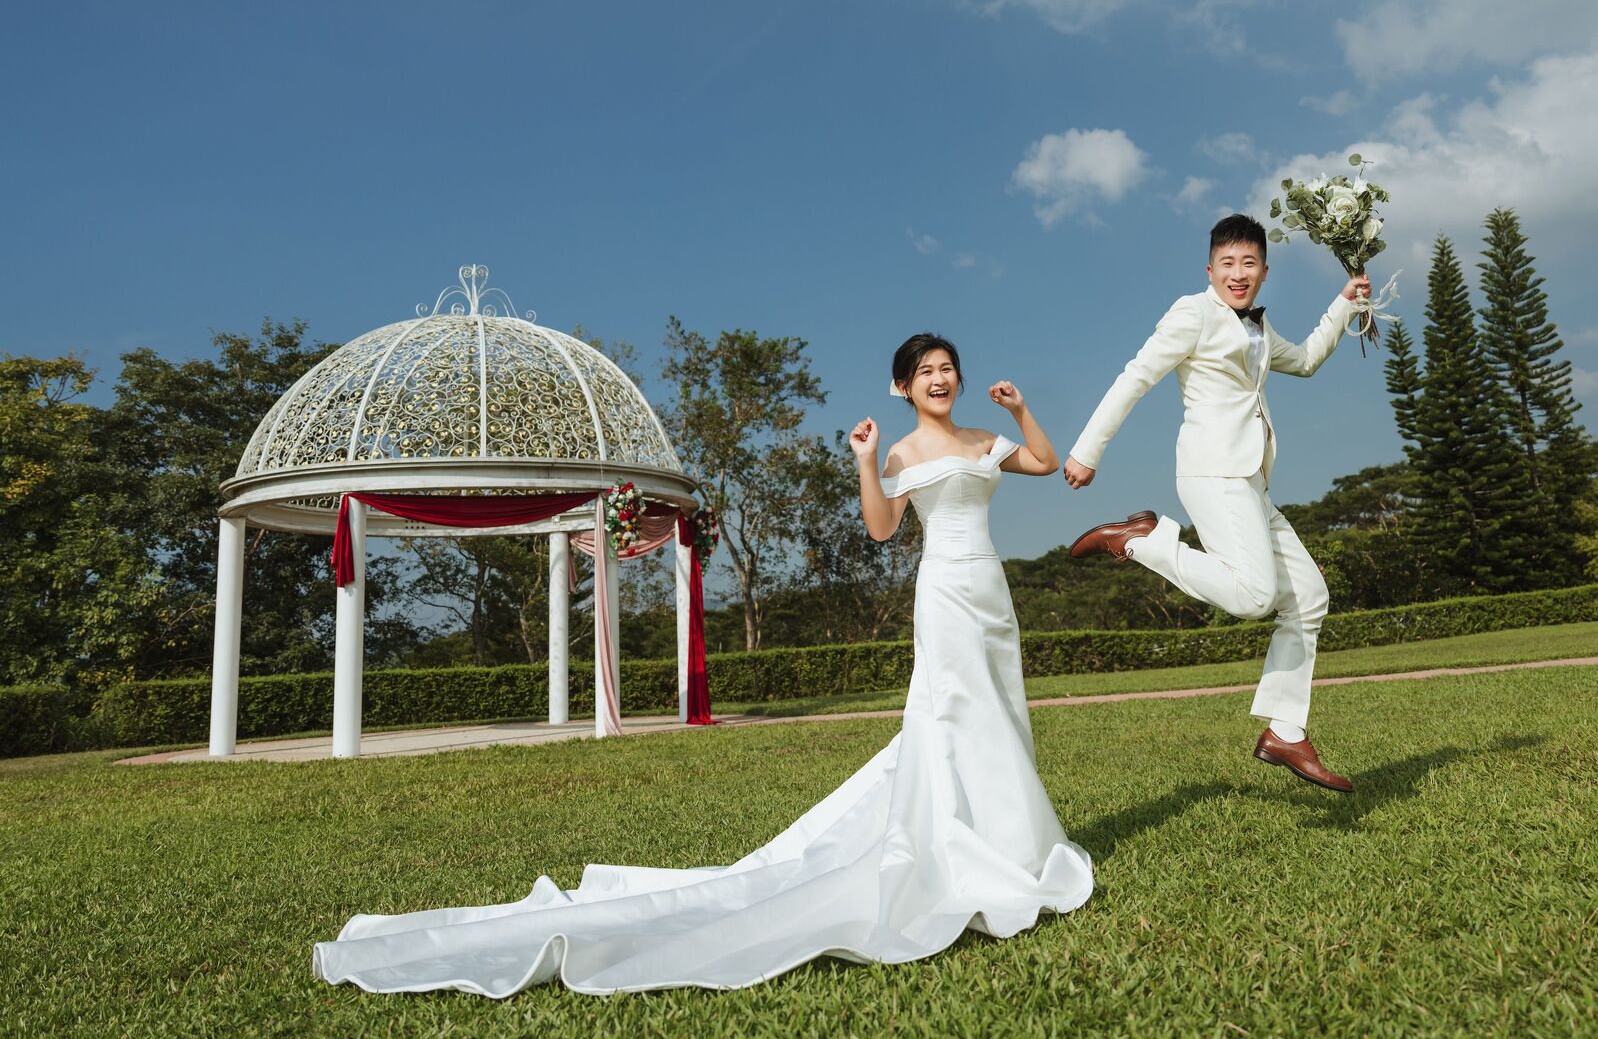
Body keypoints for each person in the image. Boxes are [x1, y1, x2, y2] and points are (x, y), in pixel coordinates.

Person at [311, 333, 1092, 996]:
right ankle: (963, 847)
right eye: (925, 371)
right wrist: (864, 459)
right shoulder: (905, 450)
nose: (940, 378)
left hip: (991, 587)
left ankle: (1011, 839)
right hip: (943, 590)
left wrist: (1019, 408)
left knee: (1000, 703)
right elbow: (883, 528)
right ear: (904, 387)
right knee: (951, 708)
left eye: (947, 368)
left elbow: (1044, 460)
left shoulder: (981, 440)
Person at [1062, 214, 1369, 792]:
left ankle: (1285, 731)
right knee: (1255, 597)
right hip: (1212, 470)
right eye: (1228, 263)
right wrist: (1087, 449)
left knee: (1308, 597)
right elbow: (1136, 377)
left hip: (1251, 477)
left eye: (1249, 263)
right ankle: (1142, 542)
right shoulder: (1191, 313)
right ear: (1210, 270)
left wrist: (1345, 303)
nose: (1238, 273)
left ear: (1264, 272)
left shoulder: (1258, 327)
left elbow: (1305, 360)